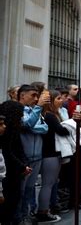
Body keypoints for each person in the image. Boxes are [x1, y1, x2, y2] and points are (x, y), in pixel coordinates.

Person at [36, 90, 71, 223]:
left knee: (49, 184)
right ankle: (43, 212)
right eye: (58, 98)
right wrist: (72, 126)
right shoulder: (50, 116)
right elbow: (62, 131)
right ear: (51, 101)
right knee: (48, 184)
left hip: (49, 153)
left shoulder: (49, 114)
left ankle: (45, 210)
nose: (61, 101)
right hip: (50, 154)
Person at [16, 84, 49, 223]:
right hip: (24, 158)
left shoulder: (35, 110)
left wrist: (32, 126)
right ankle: (19, 218)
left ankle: (27, 215)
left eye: (37, 96)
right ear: (22, 95)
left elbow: (45, 128)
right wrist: (32, 124)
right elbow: (27, 124)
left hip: (37, 157)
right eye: (33, 95)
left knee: (30, 189)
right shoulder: (18, 111)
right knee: (21, 191)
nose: (36, 99)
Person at [0, 100, 32, 224]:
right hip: (8, 174)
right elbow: (8, 153)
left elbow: (19, 149)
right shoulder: (5, 132)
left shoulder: (14, 129)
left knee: (14, 201)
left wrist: (24, 165)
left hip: (16, 172)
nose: (21, 118)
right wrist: (22, 166)